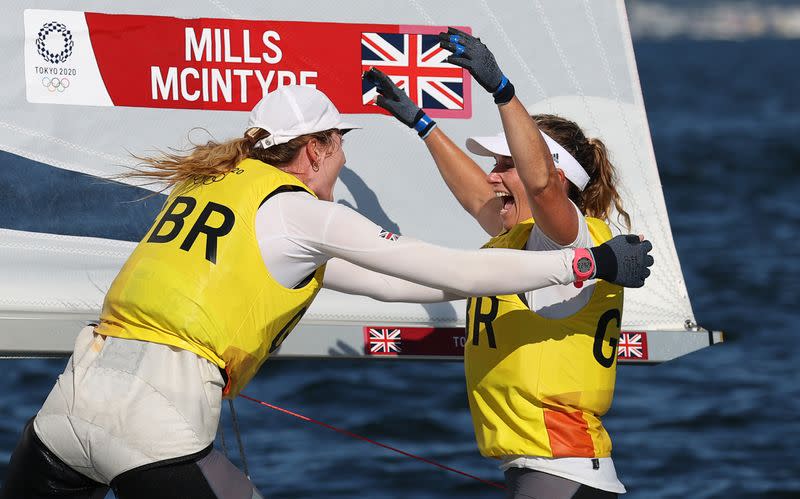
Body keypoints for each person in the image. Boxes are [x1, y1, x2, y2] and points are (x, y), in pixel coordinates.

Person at [0, 85, 652, 499]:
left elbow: (390, 282)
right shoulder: (302, 213)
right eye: (339, 146)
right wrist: (586, 264)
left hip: (67, 406)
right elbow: (440, 269)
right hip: (153, 423)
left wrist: (425, 124)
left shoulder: (205, 189)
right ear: (314, 149)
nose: (342, 160)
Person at [364, 27, 646, 499]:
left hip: (562, 470)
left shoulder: (569, 239)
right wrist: (421, 124)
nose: (493, 177)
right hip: (546, 471)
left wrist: (502, 90)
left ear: (553, 176)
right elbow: (479, 197)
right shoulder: (520, 238)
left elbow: (540, 188)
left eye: (504, 164)